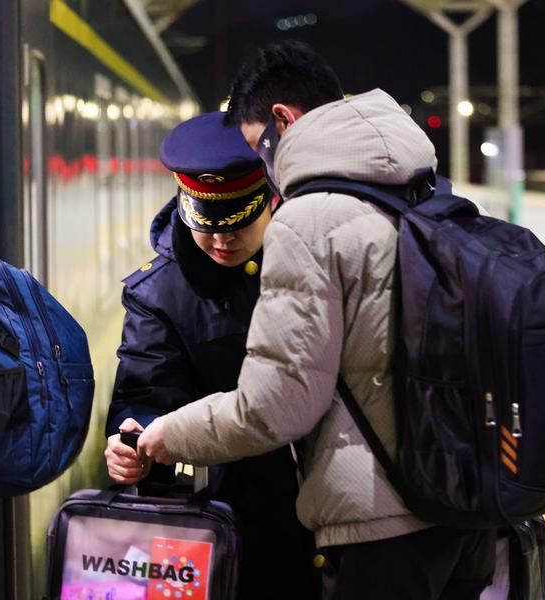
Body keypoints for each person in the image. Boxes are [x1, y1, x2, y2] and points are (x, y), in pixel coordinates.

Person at [138, 41, 496, 599]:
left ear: (283, 121)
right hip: (462, 503)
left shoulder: (309, 218)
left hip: (380, 524)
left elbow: (277, 407)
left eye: (259, 149)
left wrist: (168, 435)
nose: (265, 167)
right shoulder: (425, 191)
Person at [104, 111, 319, 599]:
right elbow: (146, 389)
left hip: (340, 511)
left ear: (271, 198)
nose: (222, 238)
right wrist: (130, 442)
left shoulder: (317, 258)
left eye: (238, 221)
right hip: (242, 523)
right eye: (207, 222)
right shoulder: (159, 293)